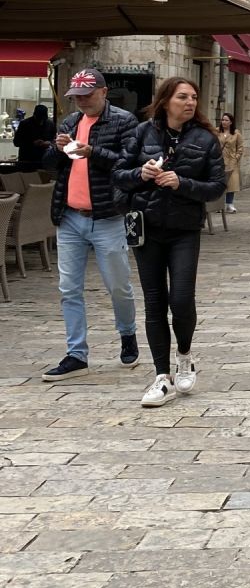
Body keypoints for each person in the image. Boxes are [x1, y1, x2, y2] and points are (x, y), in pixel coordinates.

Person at [114, 77, 225, 407]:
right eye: (182, 97)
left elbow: (217, 186)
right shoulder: (142, 132)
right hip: (146, 227)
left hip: (184, 229)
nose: (190, 102)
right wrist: (141, 174)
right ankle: (162, 376)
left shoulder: (206, 139)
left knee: (180, 298)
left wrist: (182, 182)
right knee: (154, 302)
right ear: (165, 101)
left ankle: (185, 355)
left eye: (194, 97)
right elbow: (119, 174)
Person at [42, 69, 140, 379]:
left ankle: (127, 333)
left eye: (87, 95)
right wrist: (57, 150)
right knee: (68, 288)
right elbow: (49, 165)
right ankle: (77, 354)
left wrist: (93, 152)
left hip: (107, 216)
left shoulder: (124, 121)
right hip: (70, 216)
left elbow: (130, 165)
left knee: (118, 286)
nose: (81, 101)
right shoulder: (70, 123)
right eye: (76, 96)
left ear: (104, 92)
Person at [216, 112, 243, 213]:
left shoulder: (236, 133)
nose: (224, 122)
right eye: (223, 120)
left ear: (231, 122)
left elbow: (240, 148)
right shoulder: (217, 131)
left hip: (231, 160)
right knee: (220, 182)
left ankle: (229, 204)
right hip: (219, 160)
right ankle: (219, 204)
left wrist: (236, 158)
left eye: (226, 120)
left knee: (231, 183)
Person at [14, 104, 52, 171]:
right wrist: (32, 143)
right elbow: (16, 142)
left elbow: (55, 140)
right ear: (34, 115)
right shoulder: (25, 124)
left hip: (43, 161)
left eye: (43, 119)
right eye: (39, 119)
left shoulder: (50, 124)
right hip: (27, 161)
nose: (41, 122)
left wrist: (49, 143)